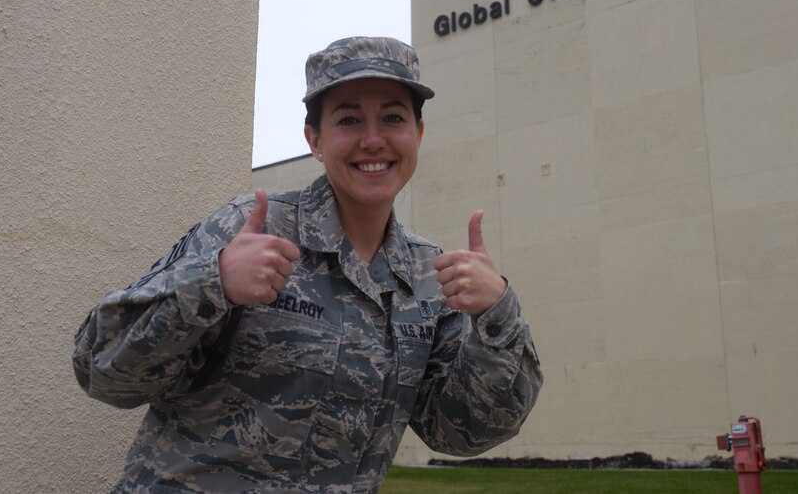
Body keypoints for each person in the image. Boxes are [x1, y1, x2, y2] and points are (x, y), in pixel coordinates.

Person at [73, 37, 542, 493]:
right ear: (314, 139)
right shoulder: (249, 230)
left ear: (417, 135)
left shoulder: (426, 277)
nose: (373, 140)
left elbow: (461, 432)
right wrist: (211, 282)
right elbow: (102, 370)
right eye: (349, 119)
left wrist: (498, 316)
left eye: (393, 118)